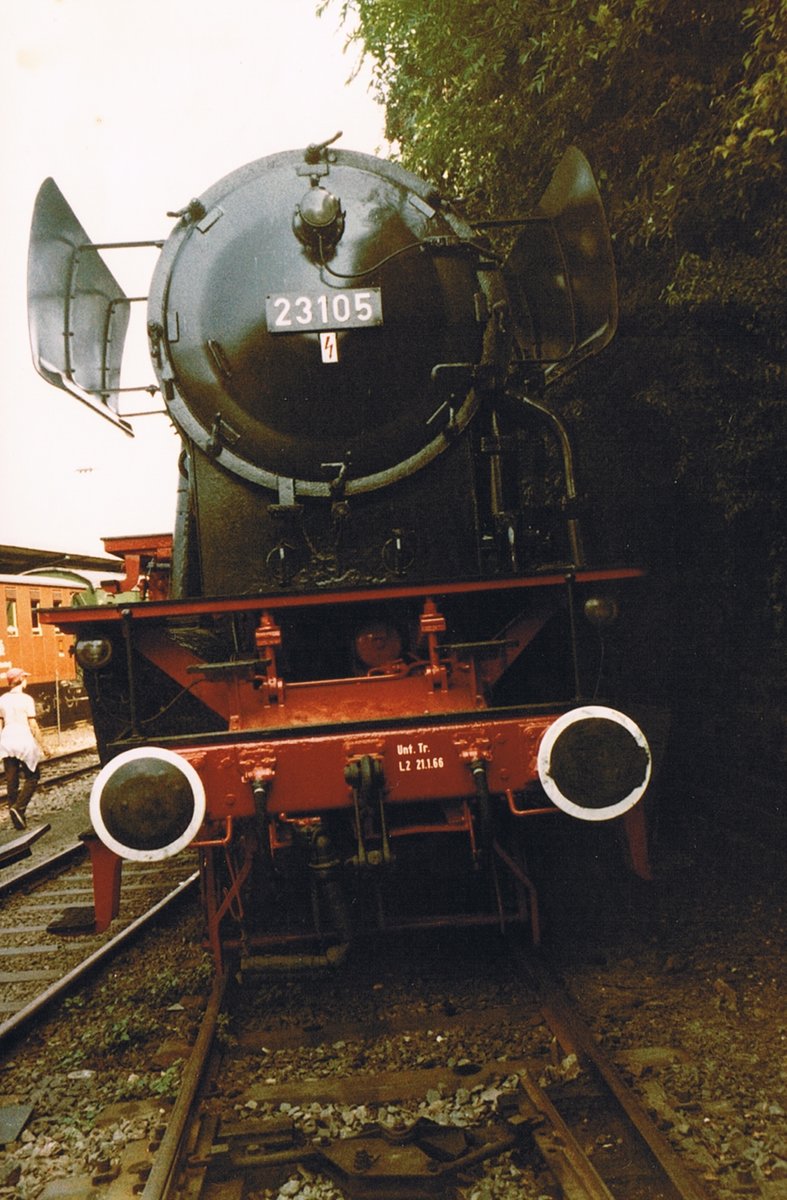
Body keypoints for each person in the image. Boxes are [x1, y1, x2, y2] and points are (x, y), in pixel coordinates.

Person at [0, 667, 48, 830]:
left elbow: (0, 723)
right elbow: (33, 725)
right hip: (23, 739)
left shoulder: (2, 699)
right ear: (20, 680)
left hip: (7, 739)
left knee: (11, 780)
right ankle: (19, 808)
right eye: (25, 677)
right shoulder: (27, 699)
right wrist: (44, 746)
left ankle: (17, 821)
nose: (27, 680)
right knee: (33, 776)